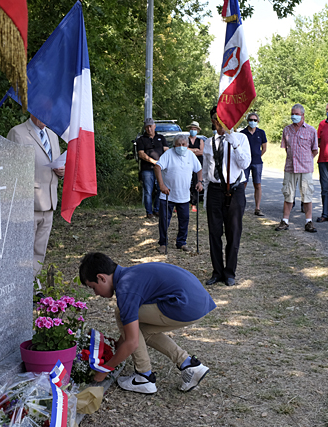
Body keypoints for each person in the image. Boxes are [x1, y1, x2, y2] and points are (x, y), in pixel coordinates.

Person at [79, 252, 215, 394]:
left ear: (101, 278)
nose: (95, 293)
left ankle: (144, 377)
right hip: (199, 302)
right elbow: (133, 329)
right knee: (140, 330)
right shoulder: (130, 274)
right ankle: (189, 365)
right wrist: (118, 345)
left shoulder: (125, 289)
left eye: (93, 287)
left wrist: (105, 369)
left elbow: (132, 342)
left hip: (185, 305)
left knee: (120, 313)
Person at [7, 115, 65, 276]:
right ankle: (20, 286)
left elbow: (58, 165)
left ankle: (33, 287)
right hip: (28, 202)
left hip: (50, 201)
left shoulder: (52, 135)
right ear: (33, 111)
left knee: (40, 250)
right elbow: (11, 169)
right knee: (23, 250)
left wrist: (62, 172)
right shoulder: (17, 133)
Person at [202, 106, 251, 286]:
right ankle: (217, 271)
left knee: (233, 233)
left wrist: (233, 142)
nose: (219, 123)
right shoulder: (208, 142)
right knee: (214, 233)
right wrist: (206, 197)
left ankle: (230, 272)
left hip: (235, 190)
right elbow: (208, 171)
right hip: (215, 190)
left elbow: (245, 163)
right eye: (215, 119)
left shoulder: (241, 138)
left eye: (221, 119)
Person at [154, 135, 203, 253]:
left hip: (184, 195)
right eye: (178, 145)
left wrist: (200, 182)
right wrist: (161, 185)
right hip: (167, 194)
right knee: (165, 220)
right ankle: (163, 243)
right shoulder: (168, 154)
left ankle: (181, 242)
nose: (181, 147)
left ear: (187, 145)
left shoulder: (190, 155)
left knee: (184, 220)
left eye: (183, 145)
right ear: (174, 145)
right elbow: (157, 167)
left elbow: (199, 169)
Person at [274, 104, 319, 233]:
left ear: (303, 115)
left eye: (297, 114)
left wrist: (306, 159)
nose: (294, 116)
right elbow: (286, 149)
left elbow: (315, 150)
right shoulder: (286, 130)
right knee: (288, 194)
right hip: (290, 167)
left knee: (307, 195)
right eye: (292, 113)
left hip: (305, 168)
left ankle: (308, 222)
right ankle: (285, 221)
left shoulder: (311, 130)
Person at [136, 118, 169, 218]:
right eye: (147, 127)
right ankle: (149, 212)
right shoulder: (141, 139)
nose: (149, 129)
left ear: (154, 126)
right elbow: (141, 154)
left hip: (160, 169)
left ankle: (157, 210)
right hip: (147, 169)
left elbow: (166, 150)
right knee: (148, 191)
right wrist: (154, 161)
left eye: (150, 126)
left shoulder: (161, 137)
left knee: (160, 189)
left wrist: (163, 163)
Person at [240, 112, 268, 216]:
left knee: (258, 184)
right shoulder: (242, 133)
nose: (253, 122)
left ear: (258, 121)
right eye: (251, 120)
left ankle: (257, 208)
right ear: (247, 121)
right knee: (243, 184)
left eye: (255, 120)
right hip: (245, 163)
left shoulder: (261, 132)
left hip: (257, 162)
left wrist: (258, 155)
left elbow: (264, 148)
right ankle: (240, 206)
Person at [186, 121, 205, 212]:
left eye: (195, 129)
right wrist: (194, 150)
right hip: (187, 163)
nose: (193, 131)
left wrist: (190, 151)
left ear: (197, 131)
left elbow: (201, 152)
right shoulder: (185, 140)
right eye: (192, 129)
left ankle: (194, 203)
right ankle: (185, 202)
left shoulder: (200, 141)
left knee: (196, 182)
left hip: (198, 164)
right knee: (186, 182)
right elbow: (185, 150)